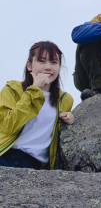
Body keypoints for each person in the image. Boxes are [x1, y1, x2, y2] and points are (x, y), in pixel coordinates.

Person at [0, 41, 74, 170]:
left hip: (35, 165)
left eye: (54, 62)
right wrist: (35, 89)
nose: (48, 67)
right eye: (42, 61)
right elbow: (9, 126)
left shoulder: (65, 99)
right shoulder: (12, 88)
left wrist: (68, 119)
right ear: (29, 65)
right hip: (5, 155)